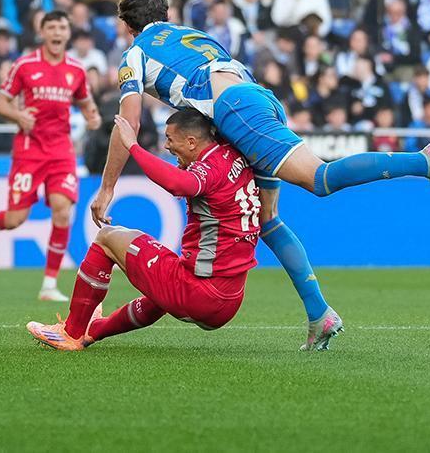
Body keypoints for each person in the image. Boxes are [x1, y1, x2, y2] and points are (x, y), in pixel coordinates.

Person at [92, 0, 430, 349]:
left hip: (237, 110)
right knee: (268, 220)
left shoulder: (135, 53)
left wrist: (107, 187)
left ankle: (423, 160)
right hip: (257, 98)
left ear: (126, 25)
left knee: (320, 178)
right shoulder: (191, 34)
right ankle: (319, 315)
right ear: (166, 13)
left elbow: (130, 124)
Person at [27, 109, 260, 351]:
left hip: (200, 294)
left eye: (170, 139)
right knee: (163, 286)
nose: (166, 146)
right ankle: (94, 330)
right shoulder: (232, 154)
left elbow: (179, 184)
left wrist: (132, 146)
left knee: (107, 237)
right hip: (229, 300)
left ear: (192, 142)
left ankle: (71, 333)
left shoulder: (209, 168)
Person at [0, 11, 101, 301]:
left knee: (63, 209)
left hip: (61, 150)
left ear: (68, 33)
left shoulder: (76, 70)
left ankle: (49, 285)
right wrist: (18, 116)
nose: (57, 32)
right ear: (42, 32)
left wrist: (93, 117)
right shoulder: (25, 65)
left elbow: (86, 102)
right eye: (51, 27)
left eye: (62, 27)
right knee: (16, 219)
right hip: (29, 150)